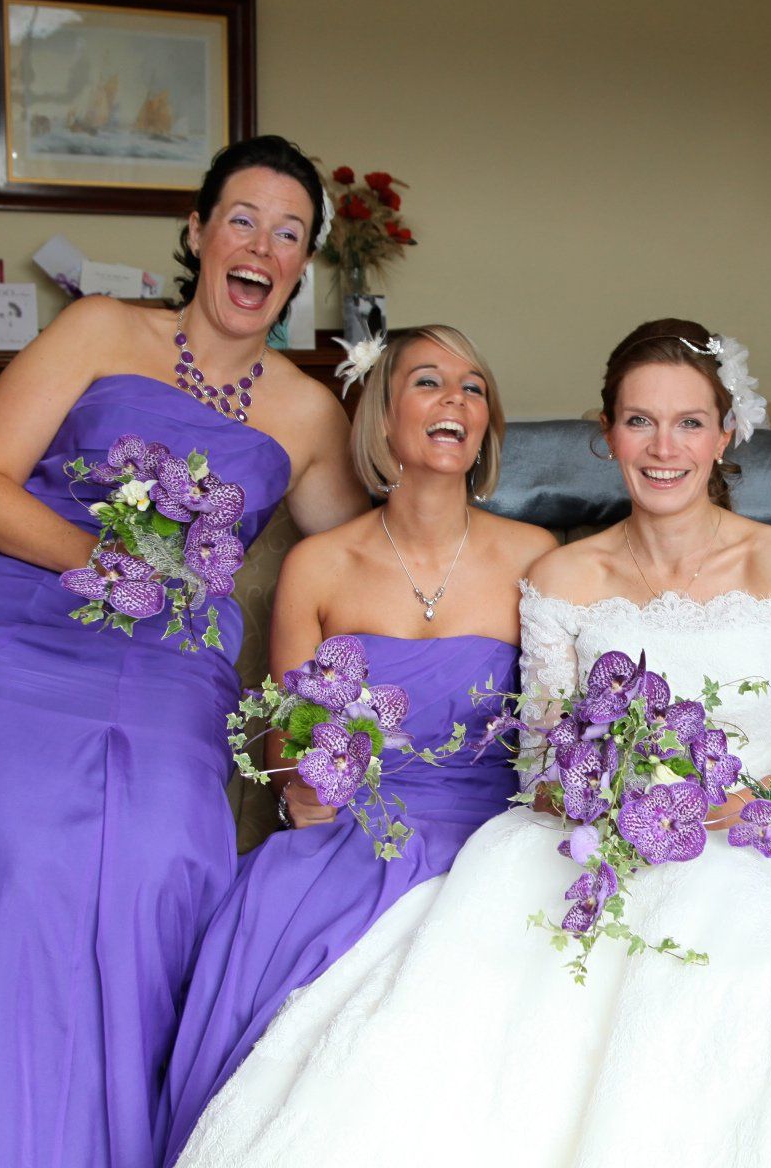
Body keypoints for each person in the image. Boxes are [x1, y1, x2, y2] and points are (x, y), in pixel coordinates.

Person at [172, 318, 771, 1168]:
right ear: (608, 437)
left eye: (689, 420)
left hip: (750, 835)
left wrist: (734, 804)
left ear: (726, 432)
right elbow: (539, 752)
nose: (664, 444)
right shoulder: (561, 574)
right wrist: (607, 791)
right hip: (590, 840)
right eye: (639, 419)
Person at [0, 135, 370, 1167]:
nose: (260, 244)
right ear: (195, 232)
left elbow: (363, 560)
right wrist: (106, 560)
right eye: (241, 218)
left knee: (161, 848)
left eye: (288, 232)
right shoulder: (98, 328)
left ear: (301, 264)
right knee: (11, 840)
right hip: (16, 622)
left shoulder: (309, 411)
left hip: (171, 661)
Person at [158, 325, 555, 1158]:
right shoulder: (319, 565)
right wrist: (292, 775)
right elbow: (278, 732)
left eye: (474, 387)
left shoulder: (538, 561)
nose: (456, 399)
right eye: (429, 382)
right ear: (381, 420)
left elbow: (562, 729)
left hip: (495, 835)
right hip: (354, 832)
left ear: (485, 426)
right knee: (287, 952)